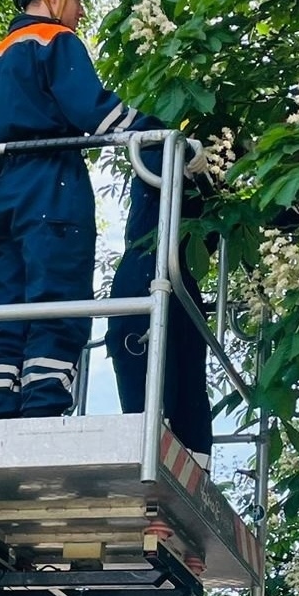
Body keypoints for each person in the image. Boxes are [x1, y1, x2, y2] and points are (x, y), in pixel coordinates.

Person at [0, 0, 165, 419]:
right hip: (50, 186)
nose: (80, 12)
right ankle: (41, 414)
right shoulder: (55, 41)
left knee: (7, 314)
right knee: (55, 301)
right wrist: (161, 133)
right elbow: (96, 114)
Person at [106, 145, 214, 468]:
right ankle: (156, 479)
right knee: (153, 404)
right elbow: (153, 152)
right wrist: (185, 152)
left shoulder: (216, 175)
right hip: (146, 277)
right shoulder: (164, 147)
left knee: (190, 403)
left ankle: (195, 482)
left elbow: (265, 217)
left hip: (181, 285)